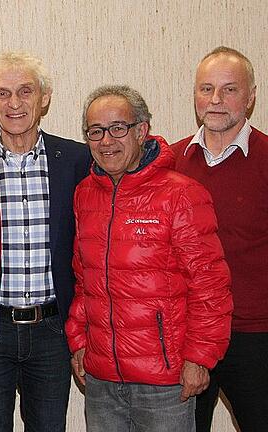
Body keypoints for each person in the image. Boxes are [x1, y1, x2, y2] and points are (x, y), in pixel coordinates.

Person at [66, 85, 233, 432]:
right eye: (95, 131)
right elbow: (85, 280)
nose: (106, 141)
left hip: (165, 382)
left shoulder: (181, 195)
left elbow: (210, 286)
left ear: (142, 131)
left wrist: (199, 358)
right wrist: (79, 341)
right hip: (102, 381)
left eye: (117, 128)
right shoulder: (84, 195)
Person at [0, 51, 91, 432]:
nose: (15, 103)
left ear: (45, 97)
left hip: (52, 331)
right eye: (3, 94)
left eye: (26, 91)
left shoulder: (76, 159)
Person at [171, 46, 267, 432]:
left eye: (229, 90)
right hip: (189, 338)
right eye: (206, 88)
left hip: (257, 337)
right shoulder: (172, 162)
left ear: (251, 95)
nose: (215, 100)